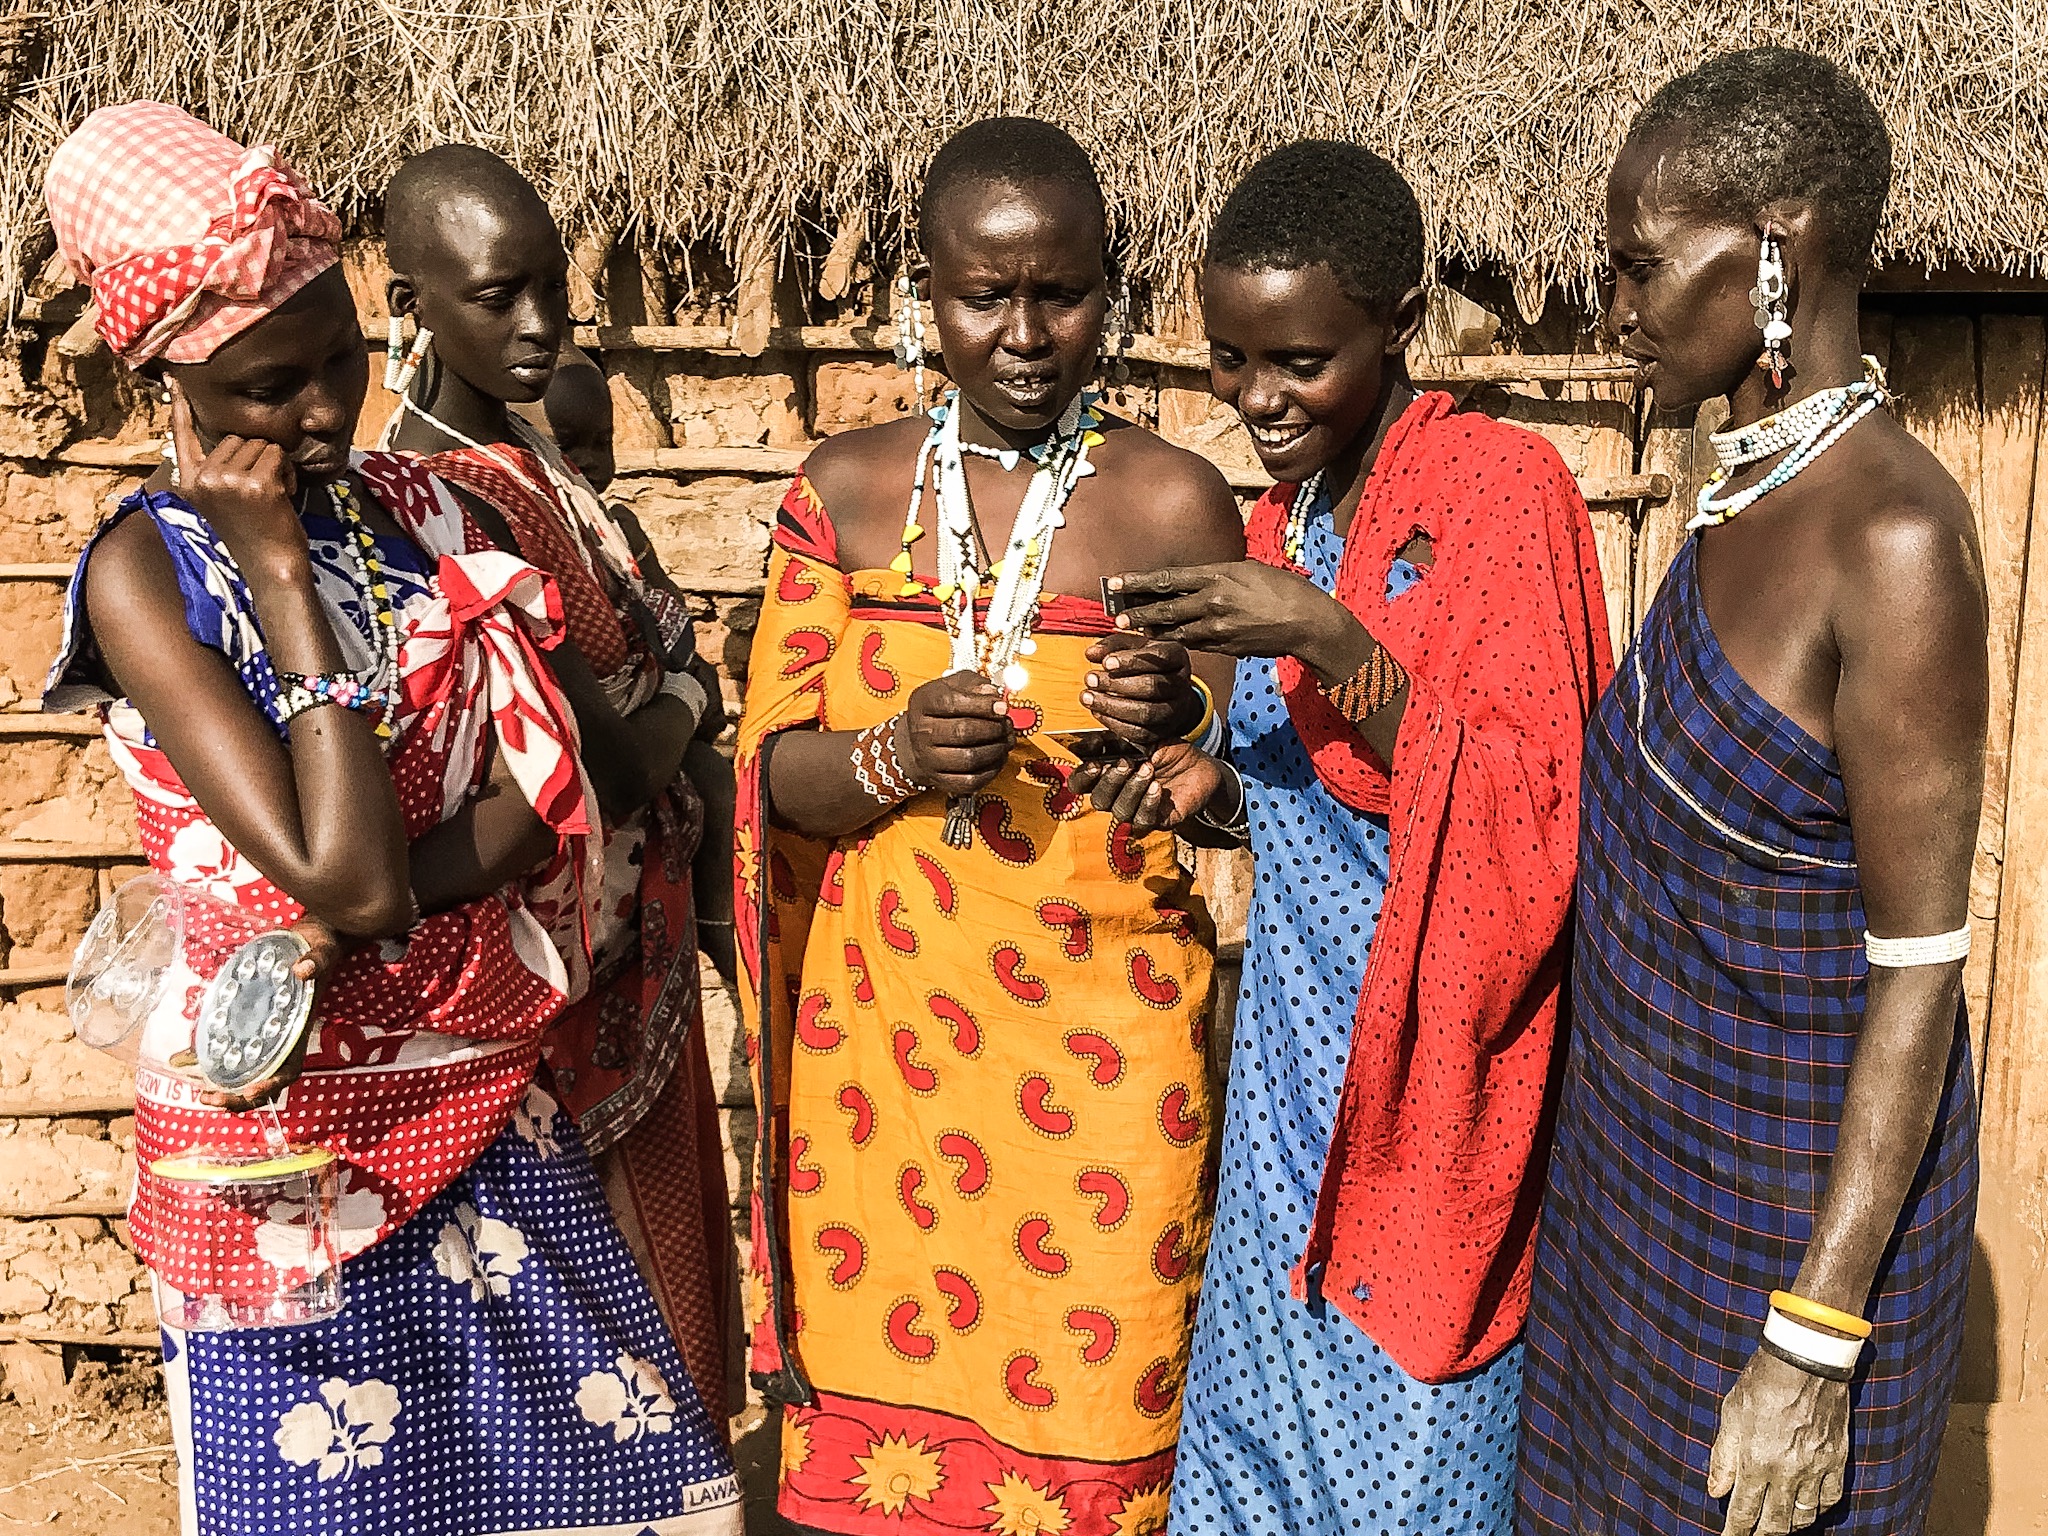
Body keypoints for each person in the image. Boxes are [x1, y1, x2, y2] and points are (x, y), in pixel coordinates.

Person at [39, 101, 740, 1535]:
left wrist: (365, 904)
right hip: (283, 1158)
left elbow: (565, 797)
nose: (315, 417)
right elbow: (348, 874)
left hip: (488, 1085)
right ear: (168, 383)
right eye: (263, 391)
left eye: (337, 364)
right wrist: (286, 587)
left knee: (641, 1492)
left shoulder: (433, 512)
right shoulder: (147, 573)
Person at [1073, 141, 1613, 1534]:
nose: (1257, 399)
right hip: (1286, 1085)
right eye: (1229, 364)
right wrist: (1202, 777)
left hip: (1436, 1080)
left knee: (1410, 1453)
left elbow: (1536, 815)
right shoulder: (1287, 512)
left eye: (1299, 361)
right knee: (1256, 1453)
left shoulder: (1503, 493)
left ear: (1401, 330)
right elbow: (1325, 796)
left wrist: (1324, 635)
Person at [735, 116, 1244, 1535]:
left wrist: (1173, 730)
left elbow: (1223, 764)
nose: (1024, 333)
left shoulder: (1173, 501)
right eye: (983, 294)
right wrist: (895, 753)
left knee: (1102, 1436)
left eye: (1061, 292)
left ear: (1113, 288)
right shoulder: (842, 495)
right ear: (926, 296)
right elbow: (772, 778)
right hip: (884, 1068)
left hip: (1109, 1061)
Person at [1515, 48, 1986, 1536]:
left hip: (1788, 1241)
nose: (1618, 308)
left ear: (1772, 252)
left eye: (1640, 267)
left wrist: (1811, 1345)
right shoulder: (1739, 492)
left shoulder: (1894, 539)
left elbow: (1917, 975)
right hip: (1640, 1200)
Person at [380, 148, 735, 1425]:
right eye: (494, 296)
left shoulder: (530, 461)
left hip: (629, 970)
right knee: (593, 1356)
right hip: (556, 996)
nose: (537, 326)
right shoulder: (443, 505)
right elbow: (606, 759)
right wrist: (693, 694)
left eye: (552, 290)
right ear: (406, 299)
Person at [533, 348, 742, 986]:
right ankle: (734, 956)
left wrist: (685, 685)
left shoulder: (616, 529)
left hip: (658, 716)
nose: (591, 462)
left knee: (716, 779)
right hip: (601, 746)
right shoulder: (528, 529)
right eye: (568, 443)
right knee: (708, 775)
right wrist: (684, 692)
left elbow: (668, 621)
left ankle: (735, 955)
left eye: (603, 442)